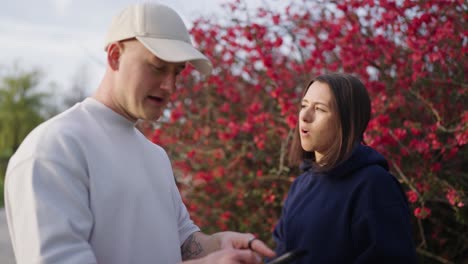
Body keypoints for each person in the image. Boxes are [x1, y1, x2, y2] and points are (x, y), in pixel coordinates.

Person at [4, 3, 275, 264]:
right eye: (158, 66)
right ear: (114, 56)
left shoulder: (155, 155)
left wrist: (219, 245)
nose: (169, 85)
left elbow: (181, 242)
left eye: (177, 72)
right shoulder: (54, 148)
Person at [272, 73, 417, 263]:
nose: (305, 116)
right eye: (304, 105)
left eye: (320, 109)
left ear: (347, 120)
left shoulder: (374, 185)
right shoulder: (300, 185)